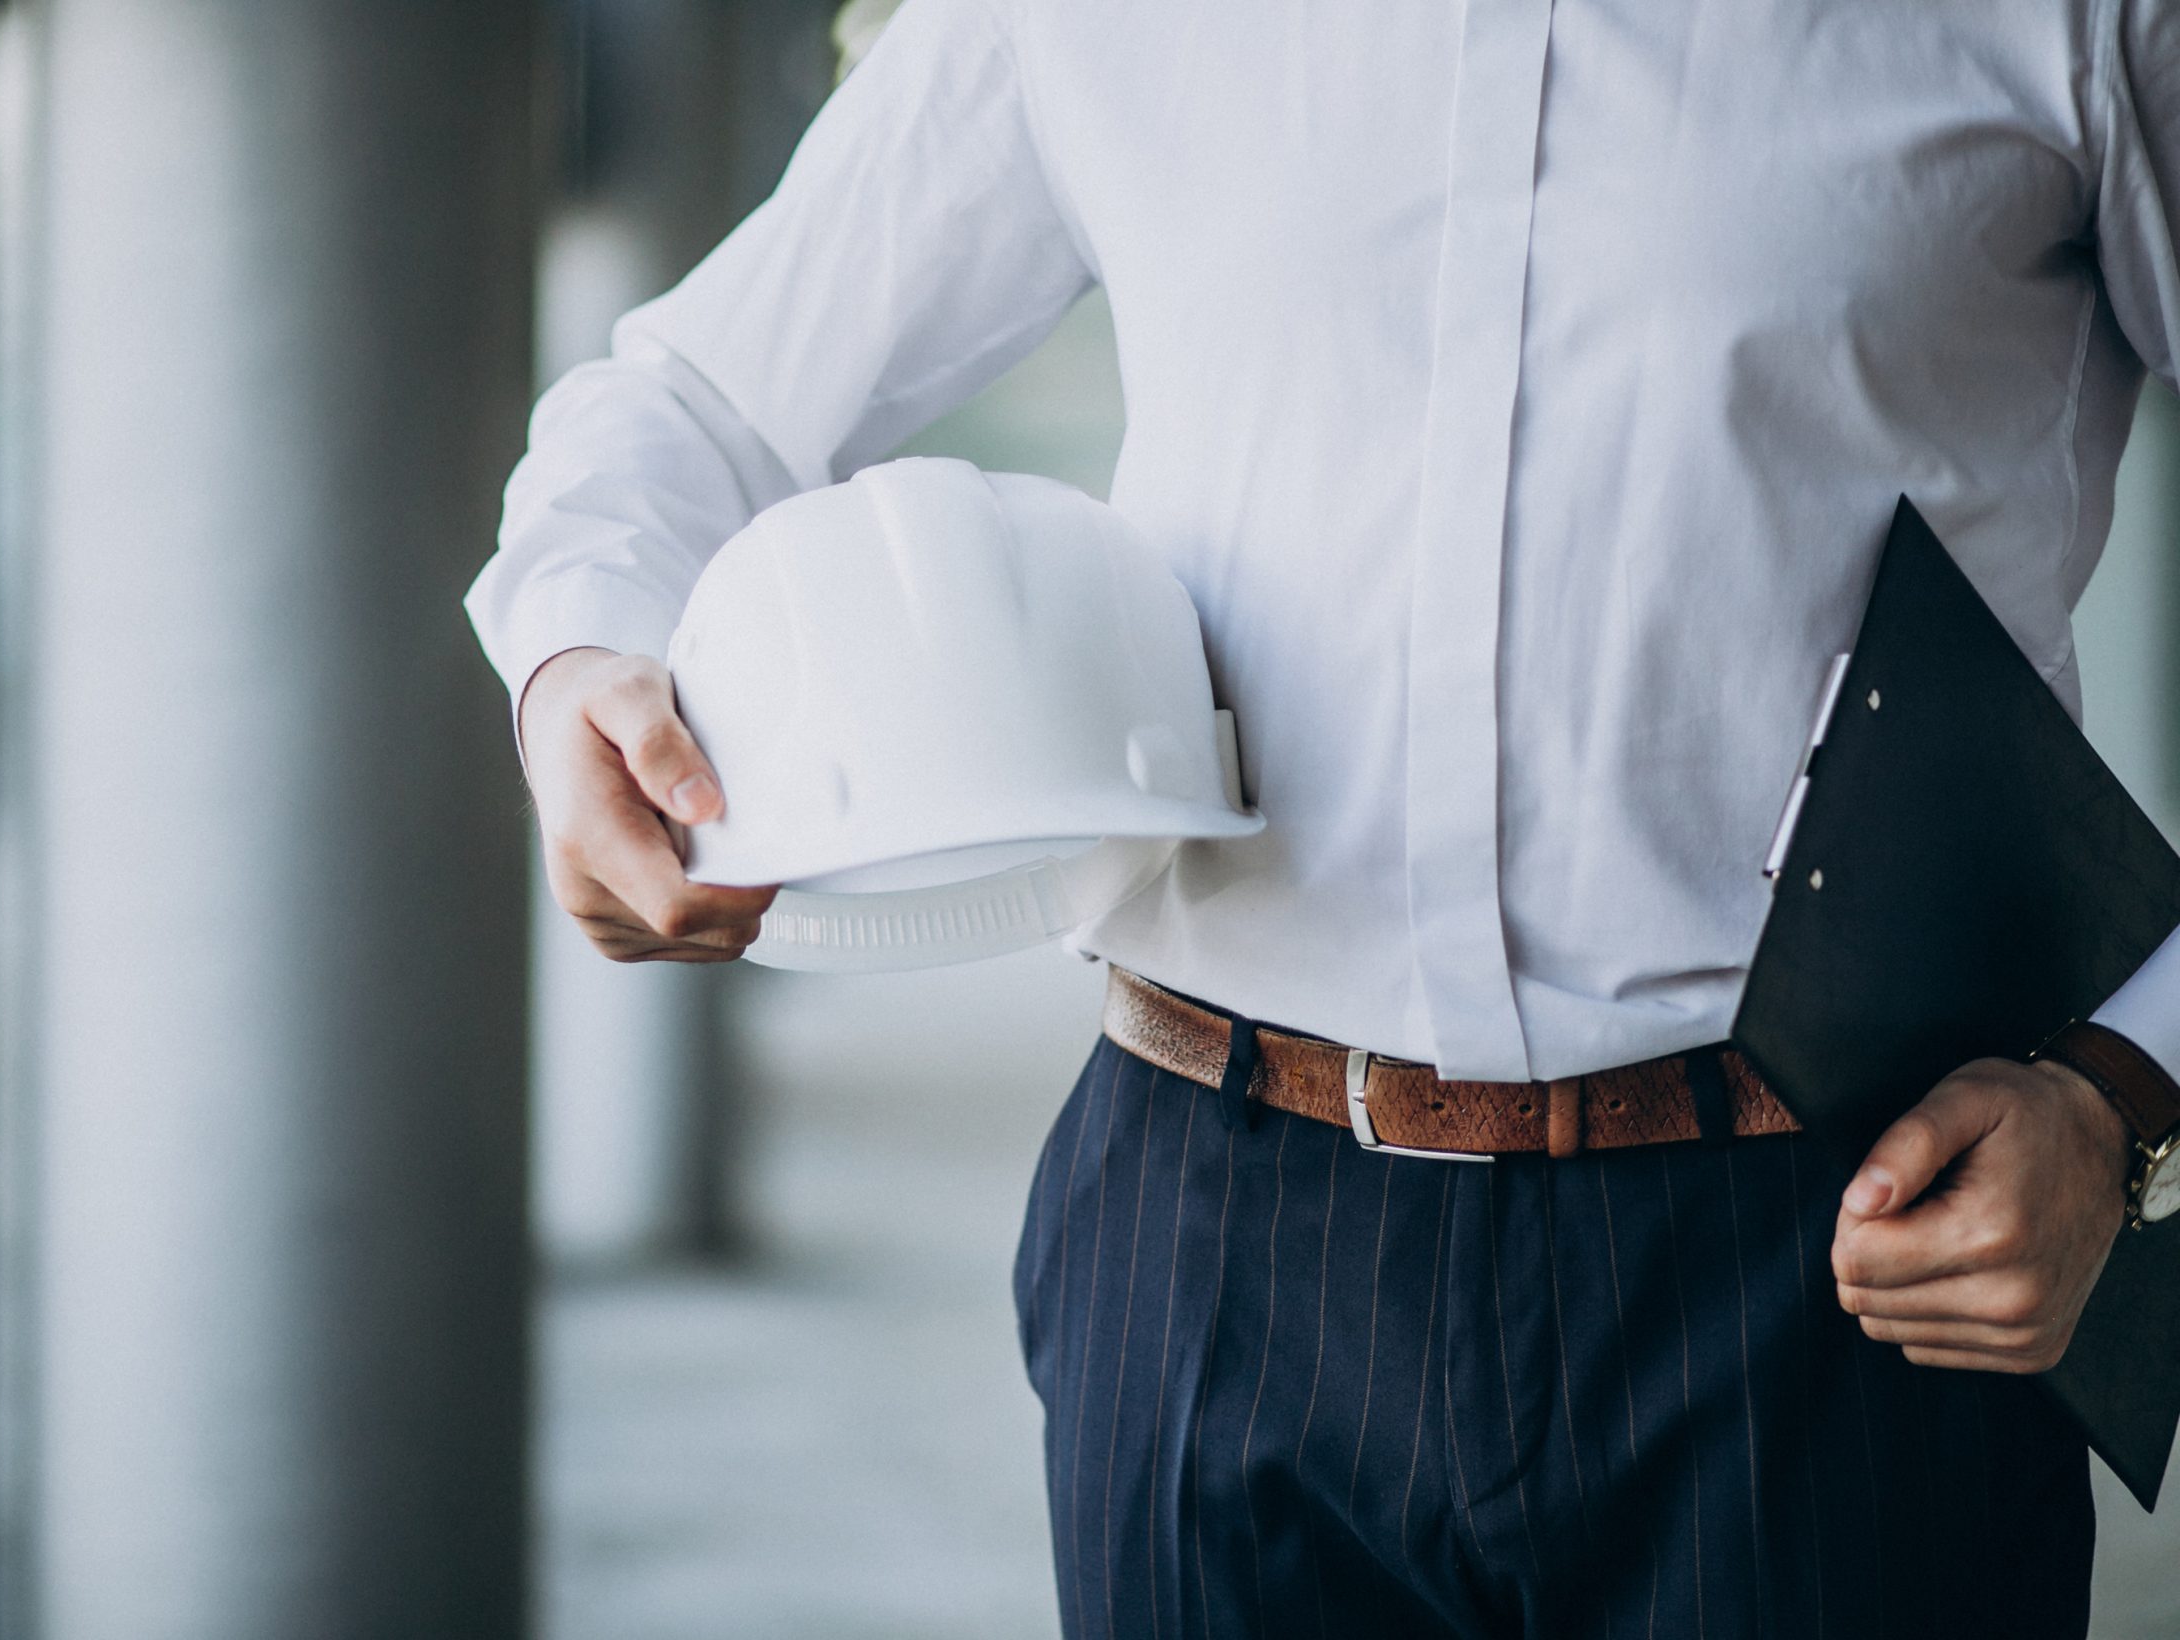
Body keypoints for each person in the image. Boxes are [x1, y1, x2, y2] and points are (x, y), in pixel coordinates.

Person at [469, 1, 2180, 1633]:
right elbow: (692, 402)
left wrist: (2124, 1105)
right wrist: (574, 674)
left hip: (1840, 1260)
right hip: (1212, 1241)